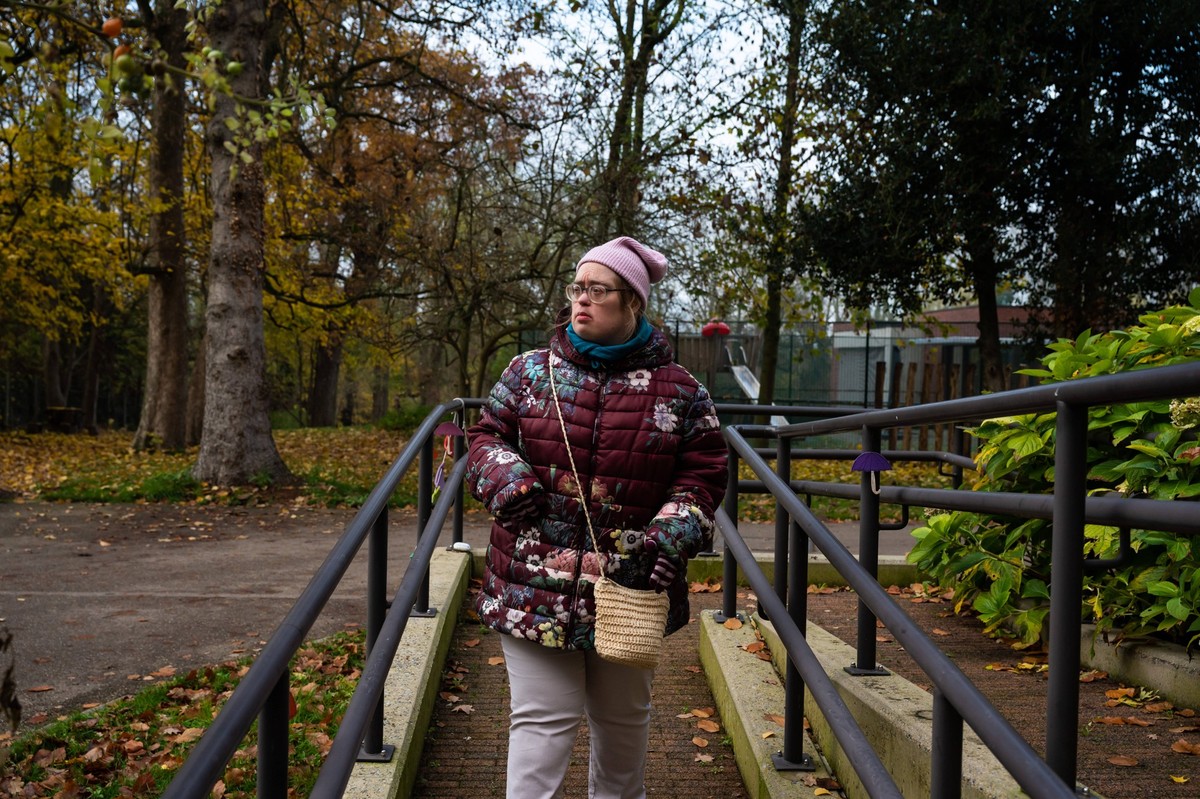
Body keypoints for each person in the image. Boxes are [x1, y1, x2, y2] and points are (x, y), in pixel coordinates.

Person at [466, 236, 729, 799]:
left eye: (598, 290)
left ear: (632, 300)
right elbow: (484, 436)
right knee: (541, 723)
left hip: (630, 585)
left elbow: (704, 474)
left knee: (622, 729)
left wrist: (668, 537)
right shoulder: (528, 373)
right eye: (576, 288)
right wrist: (506, 479)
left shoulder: (681, 392)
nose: (581, 300)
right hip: (534, 579)